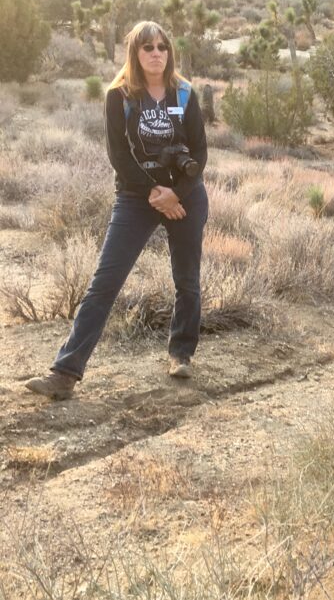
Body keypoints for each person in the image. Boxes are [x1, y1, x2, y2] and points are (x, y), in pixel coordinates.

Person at [25, 21, 209, 400]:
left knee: (187, 280)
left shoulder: (186, 93)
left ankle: (181, 353)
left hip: (185, 196)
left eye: (162, 46)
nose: (157, 53)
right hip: (136, 197)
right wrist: (156, 192)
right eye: (148, 48)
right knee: (104, 283)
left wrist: (177, 192)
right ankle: (65, 372)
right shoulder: (120, 95)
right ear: (135, 53)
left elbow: (201, 153)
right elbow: (118, 155)